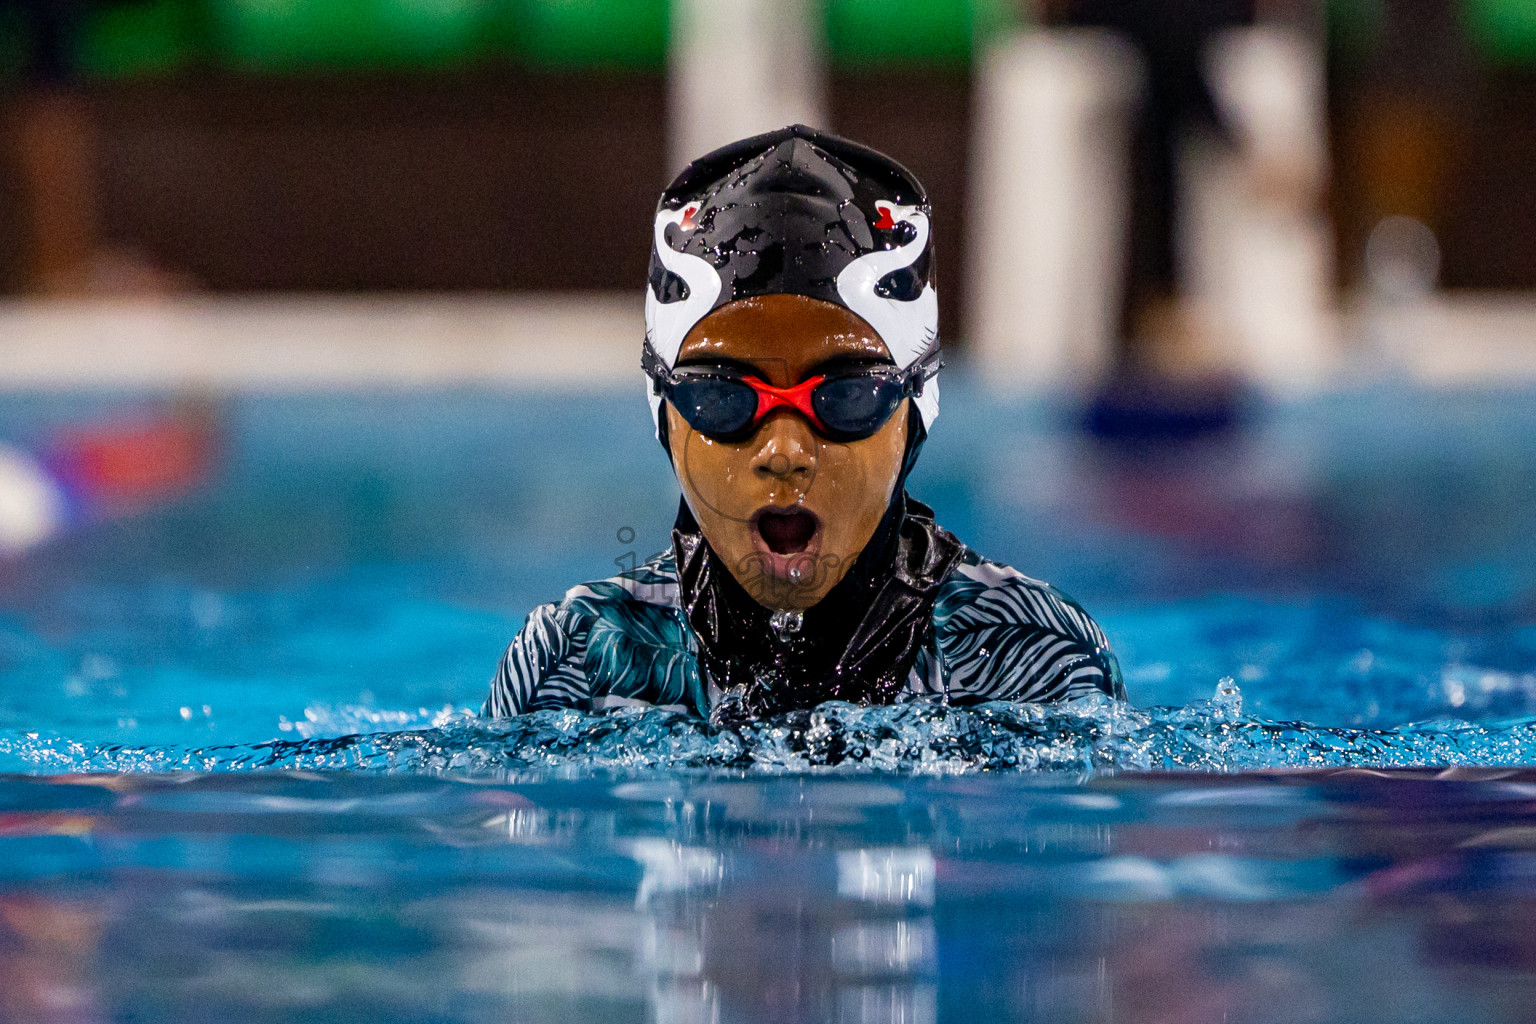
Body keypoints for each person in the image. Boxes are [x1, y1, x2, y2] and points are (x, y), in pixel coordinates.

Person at [484, 125, 1122, 721]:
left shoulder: (1023, 662)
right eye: (723, 397)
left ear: (915, 408)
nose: (785, 450)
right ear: (664, 411)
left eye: (844, 395)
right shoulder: (576, 666)